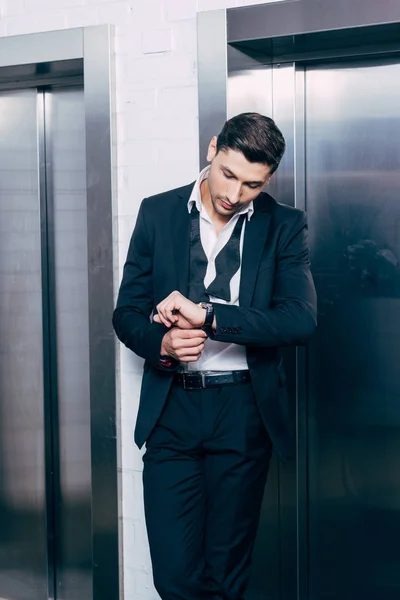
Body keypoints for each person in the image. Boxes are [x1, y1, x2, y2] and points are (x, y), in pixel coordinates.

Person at [113, 112, 317, 599]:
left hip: (243, 413)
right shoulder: (157, 212)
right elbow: (127, 313)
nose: (234, 194)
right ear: (212, 150)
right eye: (229, 174)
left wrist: (209, 317)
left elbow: (300, 320)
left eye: (252, 184)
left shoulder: (285, 225)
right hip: (172, 410)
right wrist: (160, 344)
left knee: (226, 573)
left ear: (267, 180)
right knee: (175, 575)